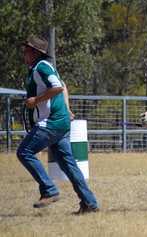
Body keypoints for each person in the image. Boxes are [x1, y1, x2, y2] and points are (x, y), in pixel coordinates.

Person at [17, 35, 99, 214]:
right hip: (60, 122)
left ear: (35, 52)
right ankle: (90, 203)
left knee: (24, 152)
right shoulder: (40, 68)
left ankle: (49, 189)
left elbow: (58, 87)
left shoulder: (41, 67)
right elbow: (63, 85)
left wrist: (35, 100)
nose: (24, 53)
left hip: (51, 122)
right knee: (68, 164)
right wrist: (66, 109)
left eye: (27, 50)